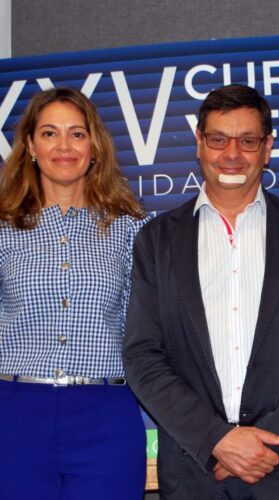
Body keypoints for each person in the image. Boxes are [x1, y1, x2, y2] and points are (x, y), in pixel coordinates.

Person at [123, 84, 279, 500]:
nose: (232, 154)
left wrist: (270, 445)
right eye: (218, 139)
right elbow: (143, 356)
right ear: (199, 142)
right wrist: (214, 438)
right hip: (195, 474)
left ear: (267, 148)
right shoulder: (156, 240)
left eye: (248, 141)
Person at [0, 87, 148, 499]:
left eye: (77, 134)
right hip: (13, 415)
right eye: (49, 133)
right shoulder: (3, 227)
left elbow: (141, 330)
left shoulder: (130, 227)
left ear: (94, 146)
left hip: (106, 416)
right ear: (31, 146)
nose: (64, 146)